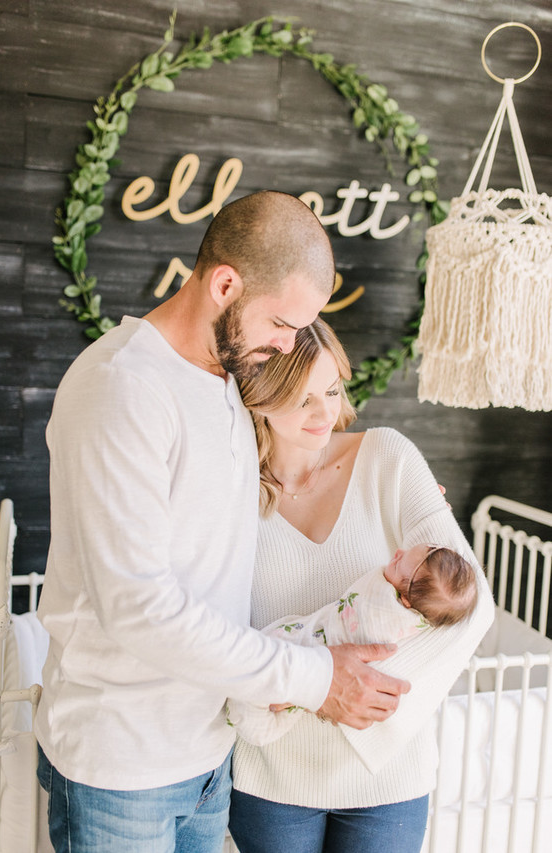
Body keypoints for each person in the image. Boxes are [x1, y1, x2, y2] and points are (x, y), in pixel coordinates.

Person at [34, 191, 411, 853]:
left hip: (208, 752)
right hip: (124, 765)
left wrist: (387, 489)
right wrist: (315, 676)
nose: (288, 344)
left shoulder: (229, 379)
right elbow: (140, 608)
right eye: (281, 322)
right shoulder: (122, 388)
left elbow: (269, 476)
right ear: (225, 283)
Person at [229, 317, 494, 853]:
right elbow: (213, 628)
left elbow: (474, 607)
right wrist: (319, 686)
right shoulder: (228, 488)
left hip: (388, 775)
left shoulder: (388, 459)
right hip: (271, 778)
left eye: (331, 389)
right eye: (302, 399)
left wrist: (361, 700)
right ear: (257, 396)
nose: (325, 413)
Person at [227, 543, 478, 745]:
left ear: (406, 602)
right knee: (259, 682)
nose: (397, 552)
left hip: (315, 647)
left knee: (264, 683)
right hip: (301, 657)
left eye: (398, 562)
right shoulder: (421, 604)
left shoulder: (383, 610)